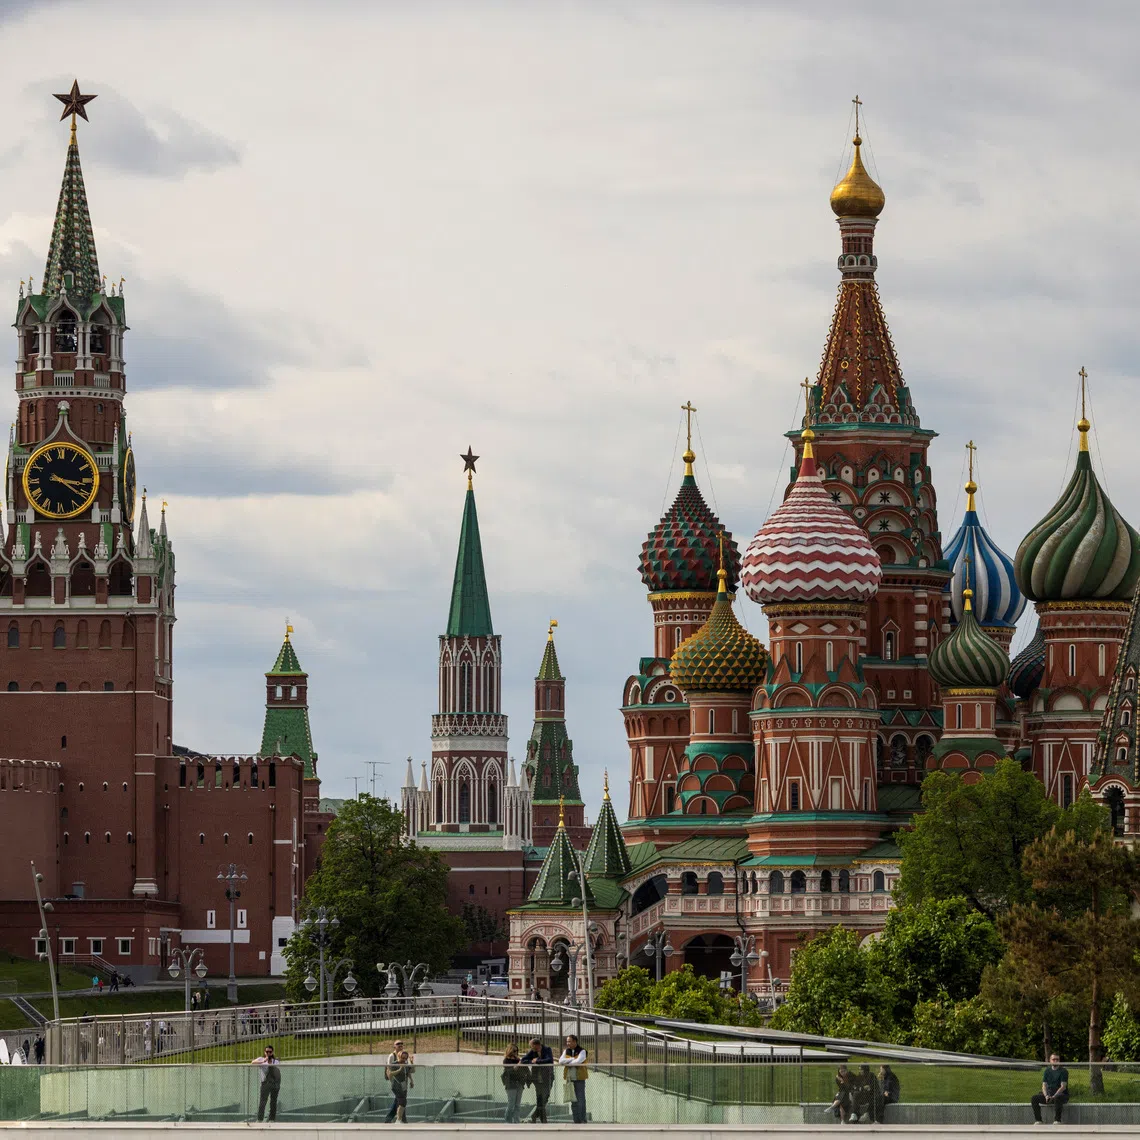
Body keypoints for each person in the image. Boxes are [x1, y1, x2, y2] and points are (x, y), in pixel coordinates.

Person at [522, 1037, 555, 1123]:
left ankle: (534, 1115)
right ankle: (543, 1120)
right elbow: (523, 1060)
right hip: (537, 1079)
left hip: (547, 1078)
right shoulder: (532, 1052)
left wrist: (538, 1061)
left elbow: (550, 1060)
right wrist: (532, 1062)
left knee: (545, 1098)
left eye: (531, 1046)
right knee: (540, 1099)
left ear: (536, 1045)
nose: (530, 1048)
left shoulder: (547, 1049)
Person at [558, 1034, 588, 1124]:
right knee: (573, 1100)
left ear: (575, 1041)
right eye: (567, 1041)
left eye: (569, 1041)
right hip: (569, 1079)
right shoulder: (566, 1051)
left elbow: (578, 1061)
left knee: (580, 1099)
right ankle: (576, 1120)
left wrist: (568, 1062)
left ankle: (582, 1119)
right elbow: (560, 1061)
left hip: (579, 1079)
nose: (568, 1043)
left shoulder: (582, 1051)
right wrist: (572, 1059)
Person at [1031, 1054, 1069, 1124]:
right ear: (1050, 1061)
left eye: (1057, 1059)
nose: (1055, 1061)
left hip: (1061, 1094)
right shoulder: (1047, 1071)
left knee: (1058, 1098)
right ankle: (1038, 1120)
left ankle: (1057, 1120)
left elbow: (1063, 1087)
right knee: (1034, 1098)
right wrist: (1046, 1096)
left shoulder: (1063, 1071)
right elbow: (1044, 1085)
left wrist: (1054, 1096)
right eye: (1053, 1059)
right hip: (1049, 1094)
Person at [251, 1045, 281, 1122]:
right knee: (263, 1101)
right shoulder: (261, 1059)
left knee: (273, 1101)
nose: (268, 1053)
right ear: (265, 1052)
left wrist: (270, 1062)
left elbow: (276, 1070)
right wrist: (263, 1061)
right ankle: (260, 1118)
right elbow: (252, 1062)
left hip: (274, 1083)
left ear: (272, 1052)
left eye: (270, 1052)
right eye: (267, 1052)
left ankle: (272, 1119)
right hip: (265, 1083)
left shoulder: (275, 1061)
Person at [501, 1043, 529, 1123]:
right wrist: (519, 1063)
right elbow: (511, 1071)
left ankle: (516, 1121)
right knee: (511, 1105)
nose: (516, 1052)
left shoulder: (517, 1060)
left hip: (519, 1084)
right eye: (514, 1051)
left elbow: (524, 1070)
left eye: (517, 1051)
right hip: (511, 1084)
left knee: (517, 1105)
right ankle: (508, 1121)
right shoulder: (506, 1060)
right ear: (510, 1051)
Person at [387, 1048, 415, 1123]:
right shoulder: (394, 1064)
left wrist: (411, 1062)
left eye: (406, 1058)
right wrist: (399, 1069)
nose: (404, 1059)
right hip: (396, 1085)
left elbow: (411, 1071)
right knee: (402, 1101)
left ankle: (400, 1119)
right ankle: (398, 1120)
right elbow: (390, 1074)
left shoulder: (405, 1064)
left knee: (401, 1102)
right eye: (403, 1057)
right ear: (399, 1056)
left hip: (404, 1085)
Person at [384, 1039, 408, 1123]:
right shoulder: (392, 1056)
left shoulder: (404, 1055)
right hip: (395, 1082)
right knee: (401, 1100)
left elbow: (407, 1069)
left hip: (403, 1082)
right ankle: (400, 1119)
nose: (400, 1045)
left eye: (401, 1044)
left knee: (398, 1100)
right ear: (394, 1046)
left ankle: (390, 1119)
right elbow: (388, 1069)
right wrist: (391, 1081)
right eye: (398, 1044)